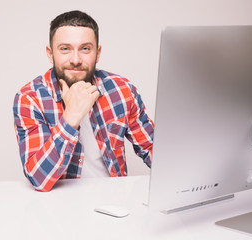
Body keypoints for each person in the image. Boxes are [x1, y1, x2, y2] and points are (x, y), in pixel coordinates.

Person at [13, 10, 154, 192]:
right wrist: (72, 116)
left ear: (98, 52)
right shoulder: (30, 98)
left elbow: (152, 149)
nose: (76, 60)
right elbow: (38, 178)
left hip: (114, 204)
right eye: (65, 49)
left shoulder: (122, 90)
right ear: (50, 53)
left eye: (85, 48)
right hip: (57, 210)